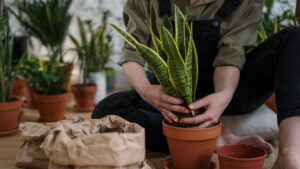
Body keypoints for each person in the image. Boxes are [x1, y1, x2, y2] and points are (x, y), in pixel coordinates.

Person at [92, 0, 300, 168]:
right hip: (174, 94)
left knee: (293, 39)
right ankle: (219, 140)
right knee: (106, 110)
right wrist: (147, 91)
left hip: (231, 90)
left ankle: (291, 154)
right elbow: (133, 52)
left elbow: (230, 56)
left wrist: (224, 94)